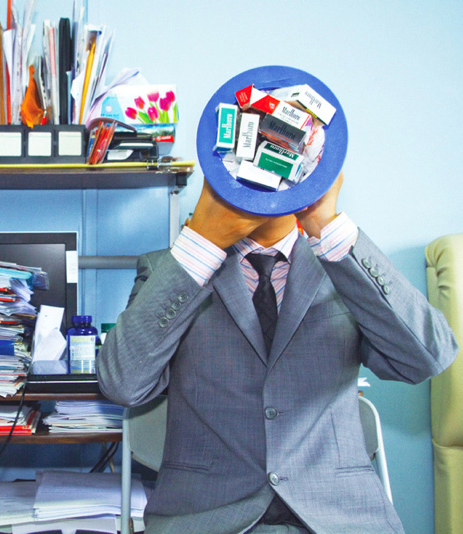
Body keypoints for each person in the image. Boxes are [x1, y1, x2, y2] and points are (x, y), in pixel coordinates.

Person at [97, 172, 458, 534]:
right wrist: (201, 246)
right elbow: (123, 384)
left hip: (339, 516)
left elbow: (426, 357)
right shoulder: (170, 268)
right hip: (205, 516)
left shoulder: (345, 265)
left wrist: (328, 227)